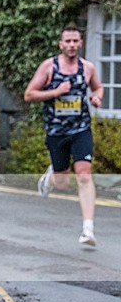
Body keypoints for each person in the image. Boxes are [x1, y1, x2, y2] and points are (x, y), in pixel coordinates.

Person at [24, 26, 104, 247]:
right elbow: (29, 94)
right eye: (67, 41)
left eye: (75, 41)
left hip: (81, 130)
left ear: (80, 43)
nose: (71, 45)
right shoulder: (49, 67)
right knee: (62, 182)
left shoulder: (87, 68)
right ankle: (49, 178)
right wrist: (55, 92)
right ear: (61, 44)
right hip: (56, 132)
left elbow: (98, 88)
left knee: (85, 175)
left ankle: (88, 230)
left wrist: (96, 99)